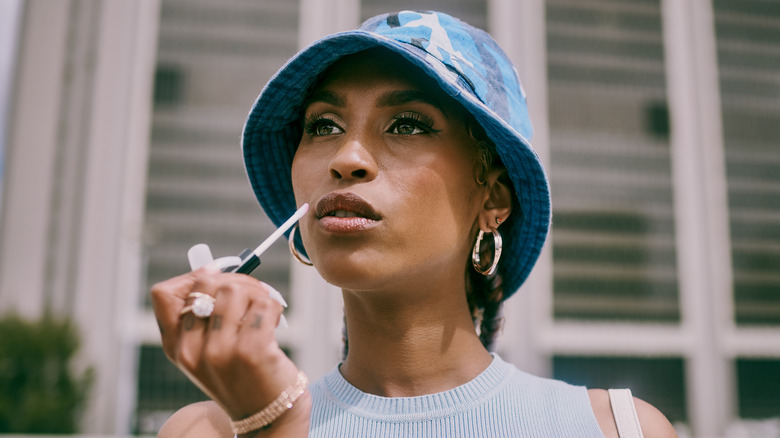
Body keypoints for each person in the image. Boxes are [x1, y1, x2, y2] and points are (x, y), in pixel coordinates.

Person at [151, 10, 678, 438]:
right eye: (323, 125)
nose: (346, 157)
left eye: (407, 124)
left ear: (493, 196)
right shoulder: (208, 431)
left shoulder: (621, 430)